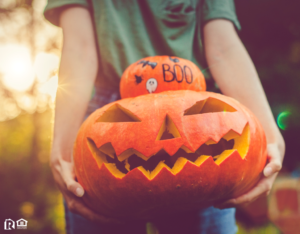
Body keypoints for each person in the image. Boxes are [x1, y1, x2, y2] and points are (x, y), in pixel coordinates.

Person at [44, 0, 285, 233]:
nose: (167, 133)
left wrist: (270, 135)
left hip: (200, 112)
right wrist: (62, 148)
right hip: (106, 114)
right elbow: (79, 49)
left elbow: (224, 48)